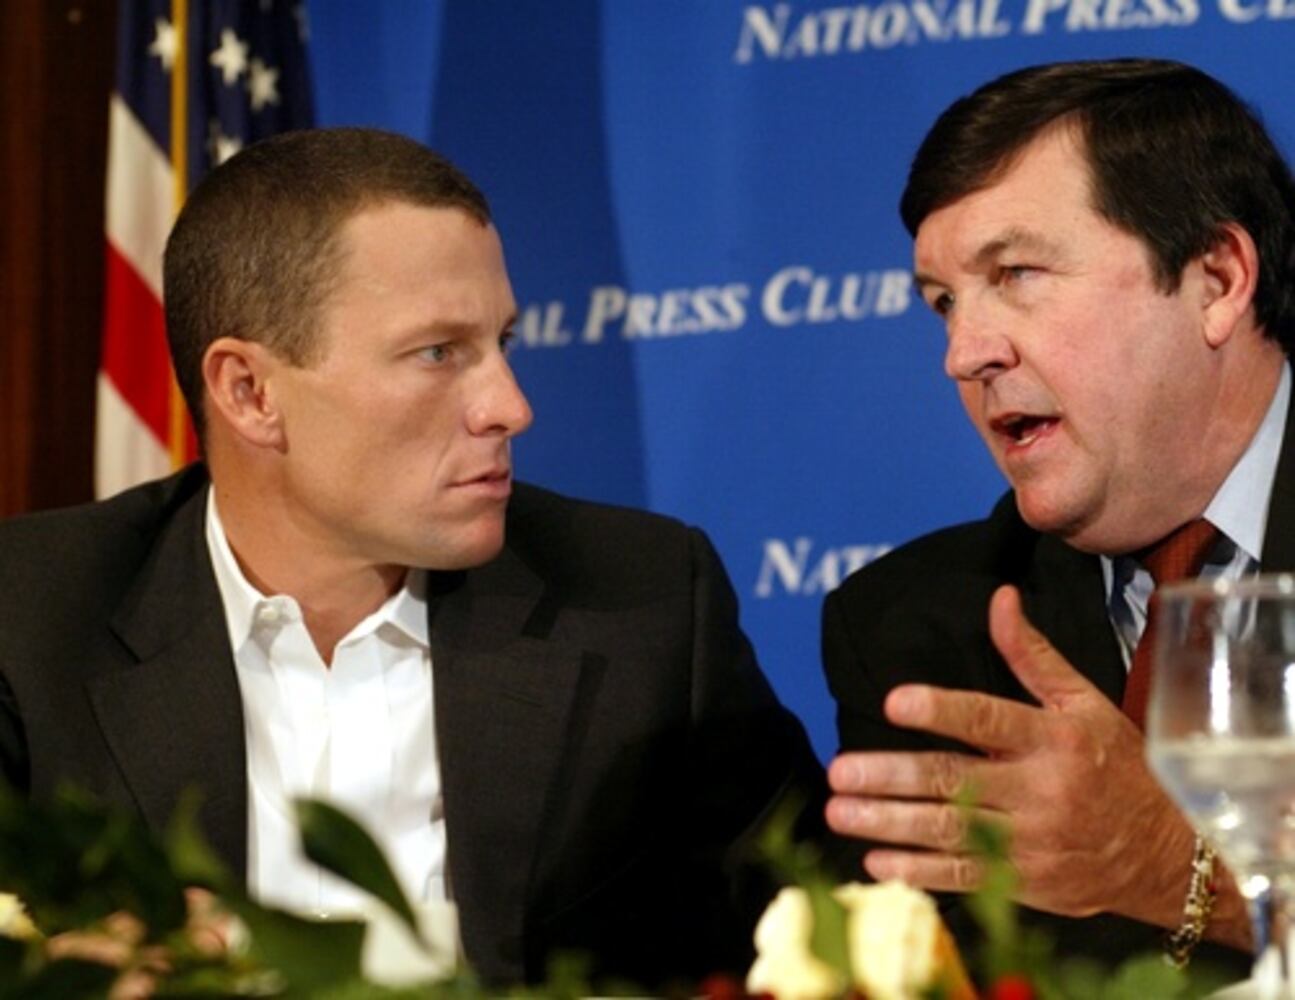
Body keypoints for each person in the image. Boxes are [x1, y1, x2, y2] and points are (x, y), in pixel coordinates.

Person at [0, 127, 826, 987]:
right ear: (249, 392)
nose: (510, 407)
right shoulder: (29, 616)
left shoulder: (641, 603)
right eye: (437, 353)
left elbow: (812, 929)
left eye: (502, 343)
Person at [823, 58, 1295, 971]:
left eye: (1016, 273)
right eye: (944, 303)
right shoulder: (916, 631)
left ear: (1215, 278)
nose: (962, 353)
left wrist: (1177, 870)